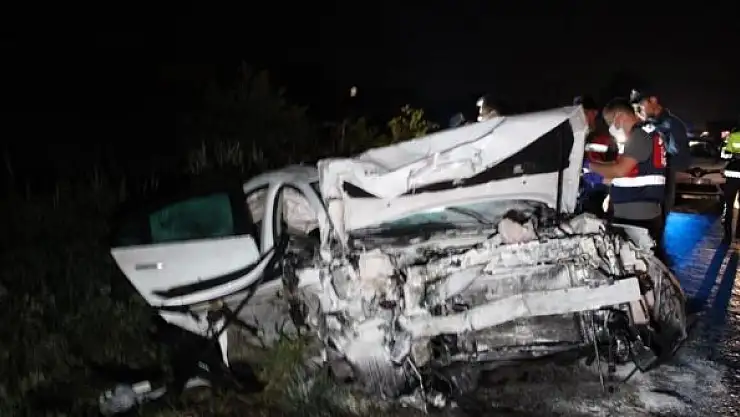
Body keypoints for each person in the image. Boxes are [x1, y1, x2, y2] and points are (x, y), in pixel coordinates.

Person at [589, 98, 668, 260]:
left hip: (636, 219)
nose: (611, 128)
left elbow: (620, 169)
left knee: (635, 264)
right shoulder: (642, 135)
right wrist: (599, 177)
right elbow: (630, 174)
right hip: (639, 214)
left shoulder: (639, 136)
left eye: (610, 122)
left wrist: (589, 167)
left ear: (619, 117)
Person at [630, 89, 690, 223]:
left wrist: (658, 137)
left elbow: (680, 159)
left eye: (640, 106)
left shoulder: (672, 125)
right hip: (636, 197)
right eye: (635, 108)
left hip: (658, 196)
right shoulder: (641, 126)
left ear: (653, 101)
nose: (638, 111)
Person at [574, 95, 618, 217]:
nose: (579, 117)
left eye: (583, 112)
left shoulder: (605, 137)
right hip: (576, 193)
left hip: (597, 194)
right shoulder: (574, 136)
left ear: (594, 113)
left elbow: (616, 168)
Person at [720, 128, 740, 243]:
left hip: (732, 174)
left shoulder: (732, 137)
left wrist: (734, 155)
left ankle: (727, 234)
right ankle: (738, 233)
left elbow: (724, 155)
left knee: (729, 204)